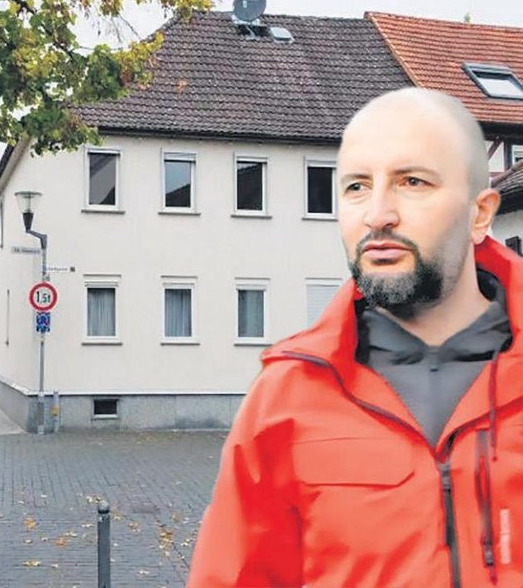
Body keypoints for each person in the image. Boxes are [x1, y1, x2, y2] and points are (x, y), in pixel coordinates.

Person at [186, 87, 523, 588]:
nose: (377, 214)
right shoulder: (286, 397)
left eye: (412, 182)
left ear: (479, 215)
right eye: (356, 187)